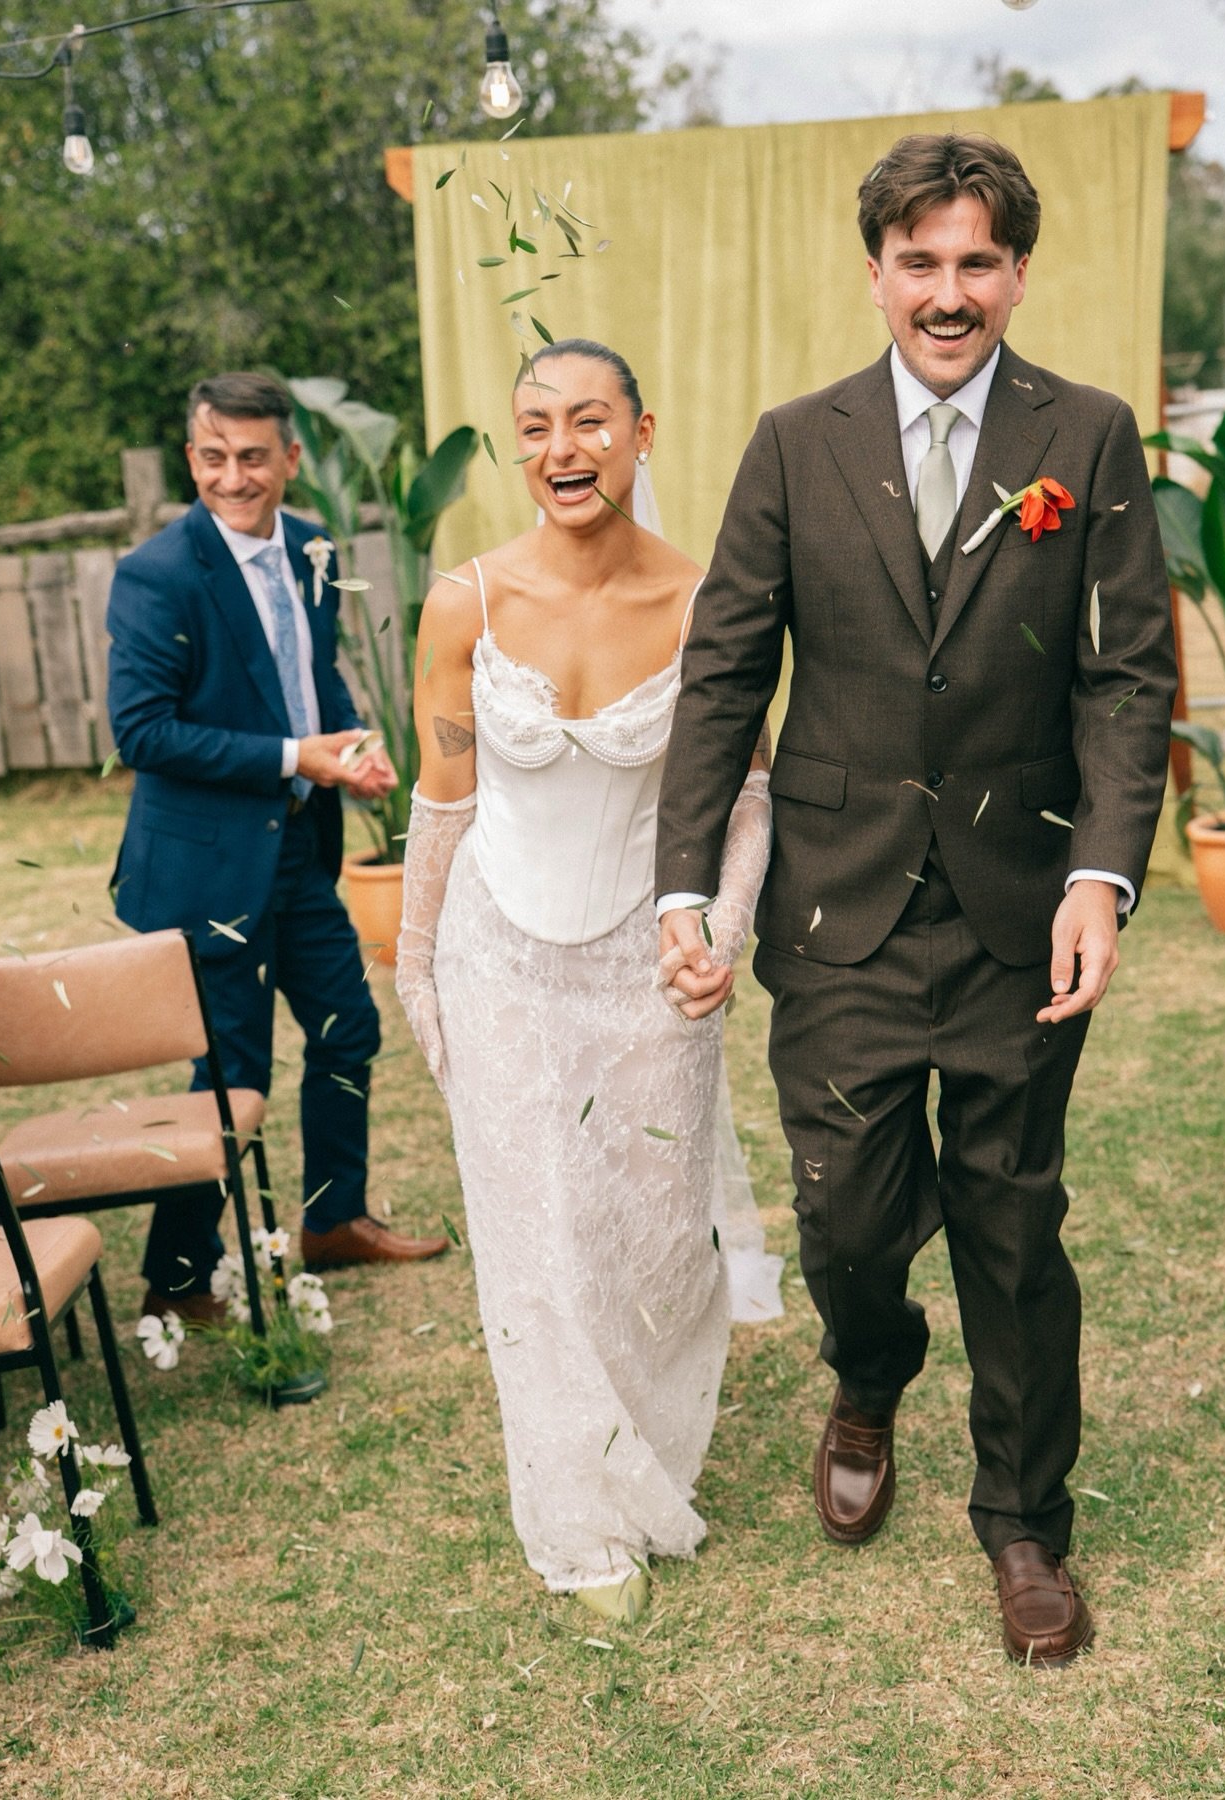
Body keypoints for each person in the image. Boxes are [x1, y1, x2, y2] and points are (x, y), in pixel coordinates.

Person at [656, 133, 1176, 1667]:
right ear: (876, 266)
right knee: (849, 1218)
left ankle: (1025, 1525)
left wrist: (1103, 875)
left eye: (978, 263)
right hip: (836, 913)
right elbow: (725, 673)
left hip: (1022, 913)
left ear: (1017, 270)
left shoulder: (1085, 434)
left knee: (1013, 1227)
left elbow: (1128, 675)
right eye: (921, 262)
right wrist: (687, 879)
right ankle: (870, 1370)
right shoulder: (793, 441)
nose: (949, 294)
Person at [395, 340, 776, 1625]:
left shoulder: (707, 597)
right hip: (494, 955)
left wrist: (718, 931)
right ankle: (579, 1520)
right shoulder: (466, 604)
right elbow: (442, 801)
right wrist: (414, 964)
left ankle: (645, 1448)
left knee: (657, 1234)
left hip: (645, 960)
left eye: (591, 421)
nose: (564, 449)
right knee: (535, 1243)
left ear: (641, 431)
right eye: (538, 426)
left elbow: (747, 794)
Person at [107, 371, 449, 1320]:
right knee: (230, 1071)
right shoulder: (157, 574)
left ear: (289, 459)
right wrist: (296, 753)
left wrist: (351, 745)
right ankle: (176, 1280)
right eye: (213, 457)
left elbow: (312, 673)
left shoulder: (311, 547)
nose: (233, 477)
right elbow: (142, 732)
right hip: (204, 865)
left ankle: (332, 1221)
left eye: (253, 457)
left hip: (300, 849)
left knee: (349, 1027)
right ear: (191, 460)